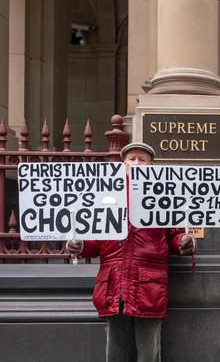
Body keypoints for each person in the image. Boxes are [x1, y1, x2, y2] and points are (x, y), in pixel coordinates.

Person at [67, 142, 196, 362]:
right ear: (123, 164)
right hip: (114, 283)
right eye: (131, 159)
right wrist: (79, 246)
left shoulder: (163, 195)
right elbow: (94, 242)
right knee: (116, 350)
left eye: (142, 159)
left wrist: (185, 241)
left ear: (151, 164)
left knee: (149, 352)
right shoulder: (106, 195)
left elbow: (175, 234)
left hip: (149, 285)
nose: (136, 163)